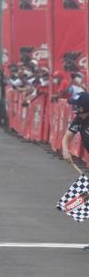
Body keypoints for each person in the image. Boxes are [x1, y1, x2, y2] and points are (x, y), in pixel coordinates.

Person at [61, 92, 89, 251]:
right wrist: (66, 150)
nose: (74, 107)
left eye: (77, 105)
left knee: (84, 199)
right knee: (85, 201)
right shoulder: (79, 119)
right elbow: (67, 137)